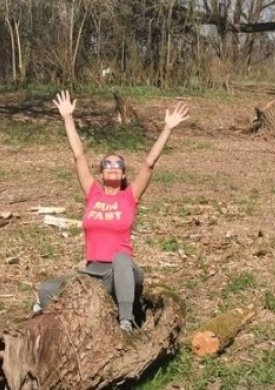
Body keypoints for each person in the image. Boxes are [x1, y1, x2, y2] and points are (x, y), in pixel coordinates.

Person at [34, 90, 191, 332]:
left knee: (120, 259)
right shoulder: (93, 194)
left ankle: (125, 321)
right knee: (46, 289)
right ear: (102, 171)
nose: (113, 167)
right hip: (92, 274)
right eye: (108, 164)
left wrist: (167, 129)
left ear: (124, 173)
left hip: (122, 274)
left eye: (119, 164)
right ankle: (50, 325)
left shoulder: (130, 197)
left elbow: (149, 164)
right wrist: (67, 118)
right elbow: (78, 156)